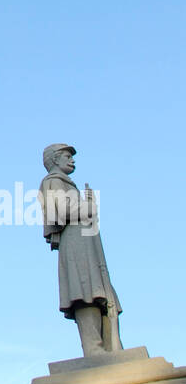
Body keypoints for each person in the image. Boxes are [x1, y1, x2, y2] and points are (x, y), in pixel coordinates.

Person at [38, 143, 122, 356]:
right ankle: (93, 347)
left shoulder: (65, 183)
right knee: (84, 290)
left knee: (99, 291)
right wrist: (89, 206)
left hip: (85, 241)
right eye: (67, 156)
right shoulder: (53, 181)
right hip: (75, 242)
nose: (72, 160)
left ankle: (109, 345)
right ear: (55, 159)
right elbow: (62, 210)